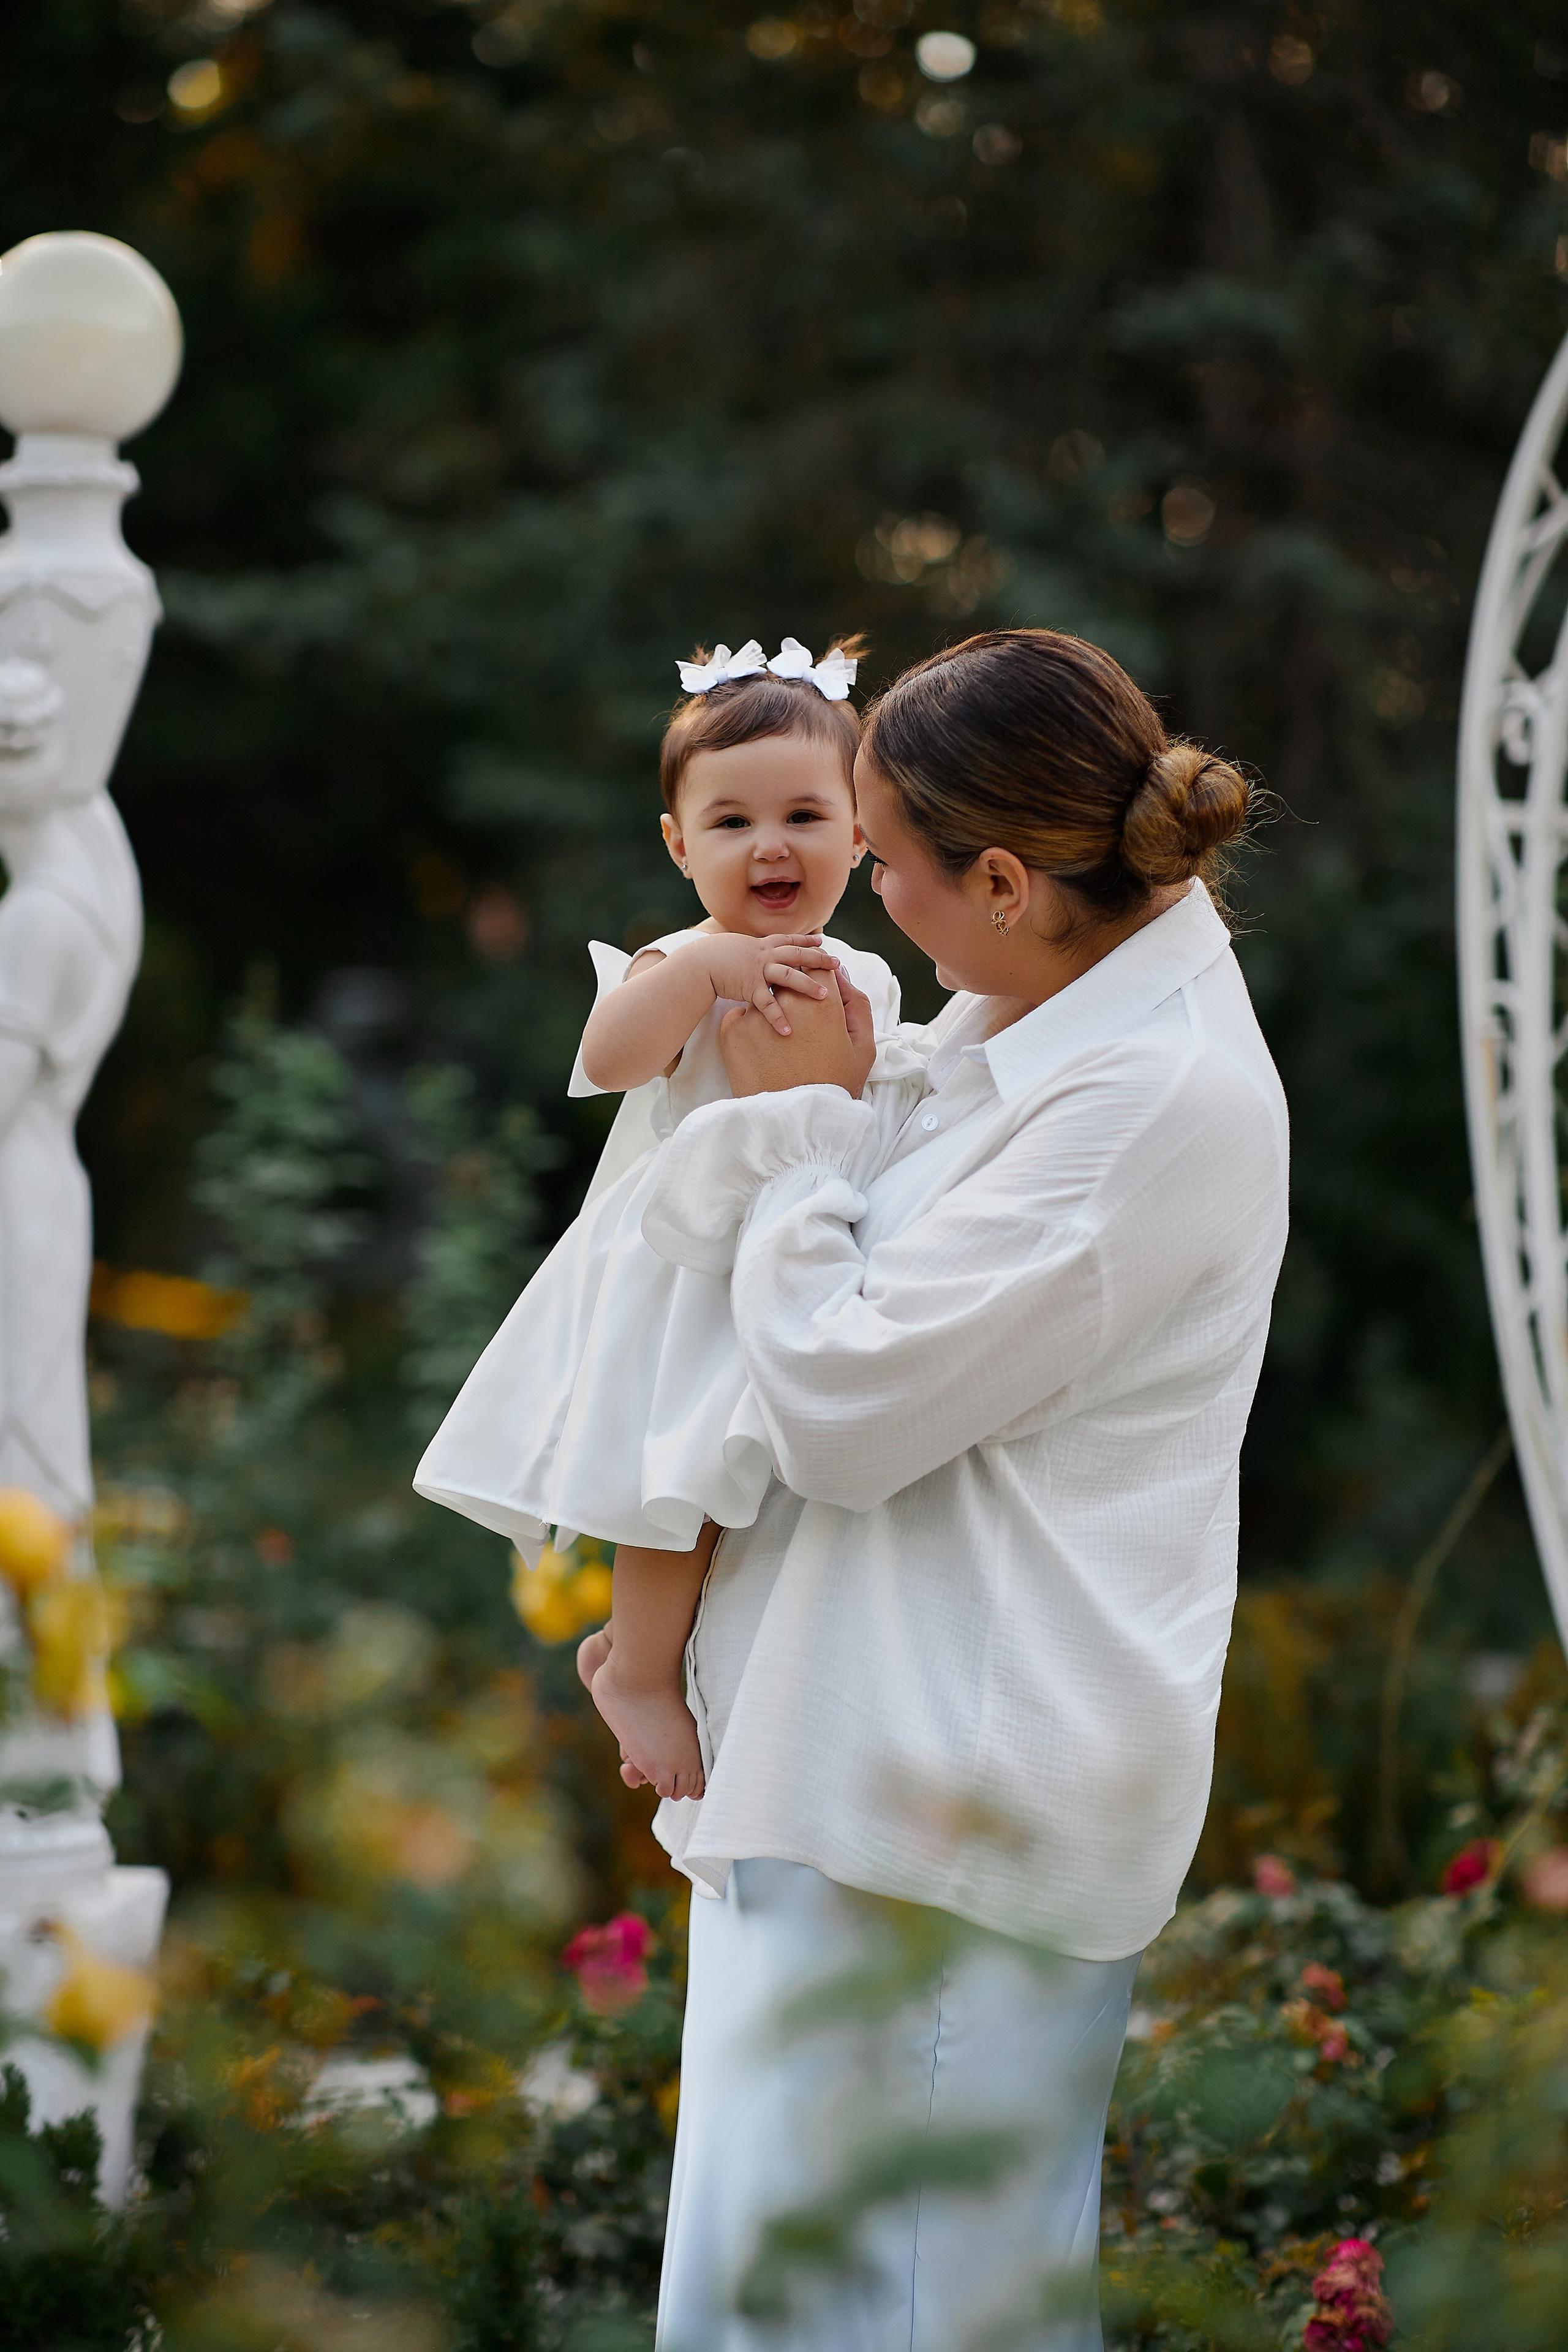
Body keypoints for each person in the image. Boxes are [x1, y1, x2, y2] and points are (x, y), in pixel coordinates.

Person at [638, 629, 1291, 2350]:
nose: (860, 900)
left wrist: (790, 1140)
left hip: (946, 1803)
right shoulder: (1044, 994)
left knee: (895, 2310)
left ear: (1004, 875)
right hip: (849, 1762)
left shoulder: (1155, 1100)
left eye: (890, 864)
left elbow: (849, 1403)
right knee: (773, 2297)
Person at [413, 634, 921, 1803]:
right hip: (679, 1262)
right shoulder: (680, 956)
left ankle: (674, 1651)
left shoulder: (870, 976)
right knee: (679, 1474)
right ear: (678, 844)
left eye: (805, 813)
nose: (771, 844)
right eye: (732, 822)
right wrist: (703, 976)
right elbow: (606, 1054)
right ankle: (637, 1667)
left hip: (802, 1240)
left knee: (745, 1475)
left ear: (859, 832)